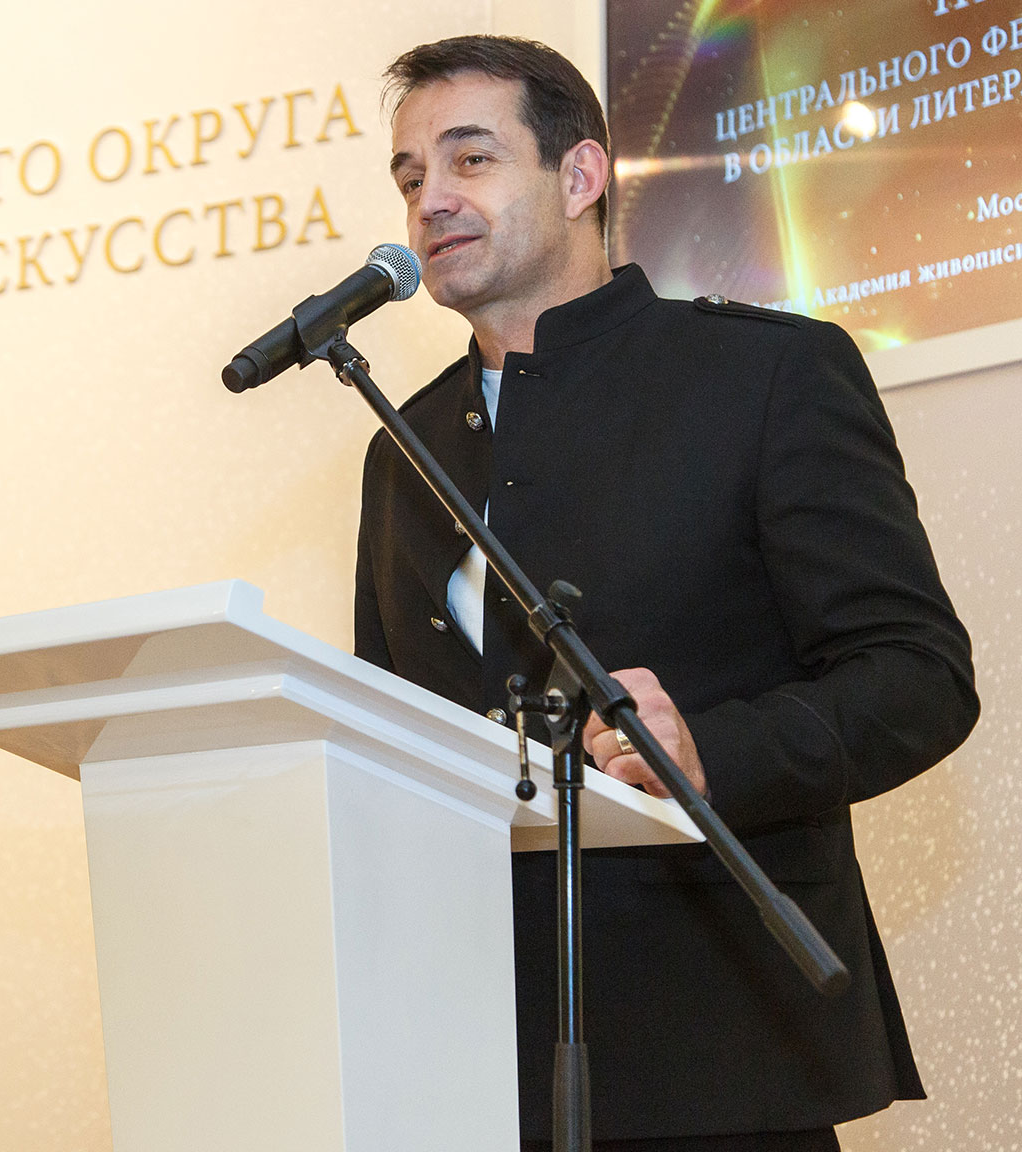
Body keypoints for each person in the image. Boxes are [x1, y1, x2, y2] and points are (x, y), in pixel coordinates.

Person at [355, 35, 979, 1152]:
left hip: (718, 1052)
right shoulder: (402, 447)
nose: (430, 199)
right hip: (472, 1062)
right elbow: (389, 727)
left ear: (581, 175)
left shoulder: (763, 376)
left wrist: (710, 753)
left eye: (470, 159)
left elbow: (917, 680)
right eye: (410, 177)